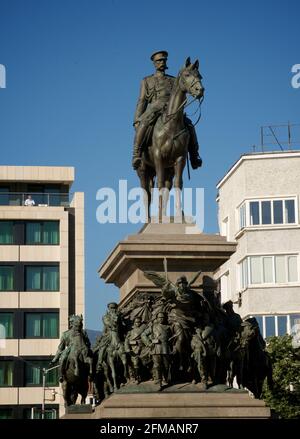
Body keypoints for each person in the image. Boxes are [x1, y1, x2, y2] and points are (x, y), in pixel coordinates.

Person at [132, 50, 202, 170]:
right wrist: (137, 119)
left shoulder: (174, 79)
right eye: (159, 61)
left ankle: (194, 156)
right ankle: (136, 154)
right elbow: (142, 101)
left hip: (171, 109)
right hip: (155, 107)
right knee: (144, 123)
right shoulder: (147, 80)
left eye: (163, 60)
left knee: (189, 125)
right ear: (154, 63)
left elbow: (180, 93)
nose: (162, 62)